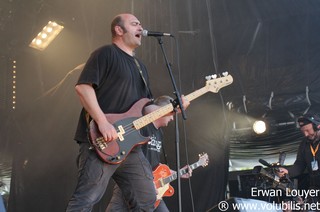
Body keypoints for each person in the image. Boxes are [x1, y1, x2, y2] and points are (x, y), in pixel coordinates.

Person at [66, 13, 189, 211]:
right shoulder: (105, 54)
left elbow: (146, 107)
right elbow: (83, 88)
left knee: (147, 199)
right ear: (119, 30)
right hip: (101, 140)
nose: (141, 27)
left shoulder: (141, 67)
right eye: (134, 24)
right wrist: (103, 122)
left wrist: (172, 108)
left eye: (141, 24)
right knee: (85, 200)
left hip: (130, 145)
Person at [106, 95, 192, 212]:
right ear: (163, 109)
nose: (172, 118)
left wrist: (178, 173)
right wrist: (145, 181)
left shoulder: (160, 133)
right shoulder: (143, 126)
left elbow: (155, 164)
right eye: (171, 113)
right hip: (132, 183)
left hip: (151, 188)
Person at [278, 113, 320, 203]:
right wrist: (288, 172)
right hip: (315, 188)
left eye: (308, 131)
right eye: (303, 131)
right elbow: (299, 164)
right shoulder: (304, 144)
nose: (305, 134)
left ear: (318, 126)